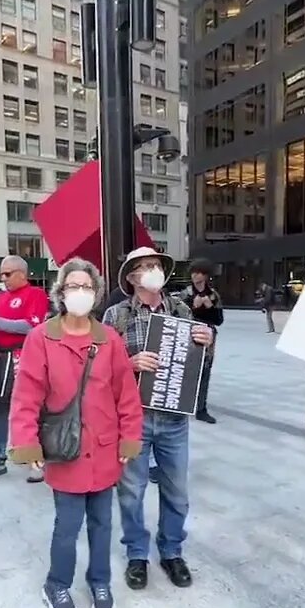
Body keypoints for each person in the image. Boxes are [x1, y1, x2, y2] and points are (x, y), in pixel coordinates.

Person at [9, 258, 143, 608]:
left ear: (96, 293)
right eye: (73, 286)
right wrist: (27, 442)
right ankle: (57, 584)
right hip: (64, 450)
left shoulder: (109, 339)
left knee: (102, 524)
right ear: (61, 292)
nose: (80, 293)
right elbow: (27, 396)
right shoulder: (42, 338)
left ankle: (100, 580)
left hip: (104, 453)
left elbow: (126, 395)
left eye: (86, 287)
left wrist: (130, 439)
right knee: (67, 527)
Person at [102, 247, 212, 590]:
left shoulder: (181, 310)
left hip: (174, 419)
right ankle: (137, 553)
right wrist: (129, 363)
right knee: (131, 492)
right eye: (144, 267)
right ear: (132, 278)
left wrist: (207, 343)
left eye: (155, 265)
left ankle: (171, 551)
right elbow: (97, 368)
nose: (152, 271)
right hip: (132, 419)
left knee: (177, 491)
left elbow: (198, 366)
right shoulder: (115, 316)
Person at [0, 254, 51, 484]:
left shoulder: (35, 294)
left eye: (7, 274)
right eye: (2, 274)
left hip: (22, 356)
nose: (3, 278)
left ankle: (36, 460)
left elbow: (32, 326)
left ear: (22, 273)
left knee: (30, 408)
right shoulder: (1, 298)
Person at [177, 259, 223, 424]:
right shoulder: (185, 294)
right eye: (194, 272)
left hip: (208, 339)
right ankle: (182, 404)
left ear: (206, 275)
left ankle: (201, 409)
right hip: (188, 336)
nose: (196, 276)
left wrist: (210, 306)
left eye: (200, 272)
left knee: (205, 372)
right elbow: (178, 316)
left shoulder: (213, 295)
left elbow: (219, 320)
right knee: (185, 371)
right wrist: (193, 307)